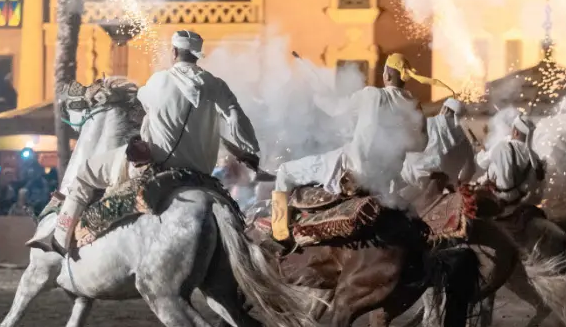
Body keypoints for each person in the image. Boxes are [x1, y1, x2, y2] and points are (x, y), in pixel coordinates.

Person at [29, 29, 260, 255]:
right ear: (198, 55)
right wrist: (250, 150)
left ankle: (59, 239)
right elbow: (235, 116)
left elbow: (141, 104)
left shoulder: (159, 80)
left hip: (156, 165)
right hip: (202, 172)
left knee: (86, 172)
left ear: (173, 52)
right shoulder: (216, 85)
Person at [272, 53, 445, 240]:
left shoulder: (373, 94)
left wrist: (318, 89)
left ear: (387, 75)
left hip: (353, 170)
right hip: (386, 182)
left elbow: (335, 108)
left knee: (284, 171)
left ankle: (280, 235)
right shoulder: (413, 105)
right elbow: (421, 145)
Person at [476, 114, 544, 218]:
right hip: (519, 201)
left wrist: (481, 150)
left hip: (498, 198)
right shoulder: (535, 157)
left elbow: (482, 163)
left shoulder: (502, 147)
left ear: (515, 132)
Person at [401, 97, 475, 190]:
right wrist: (460, 182)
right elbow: (470, 169)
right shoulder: (464, 140)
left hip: (415, 181)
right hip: (444, 188)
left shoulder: (428, 123)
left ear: (445, 108)